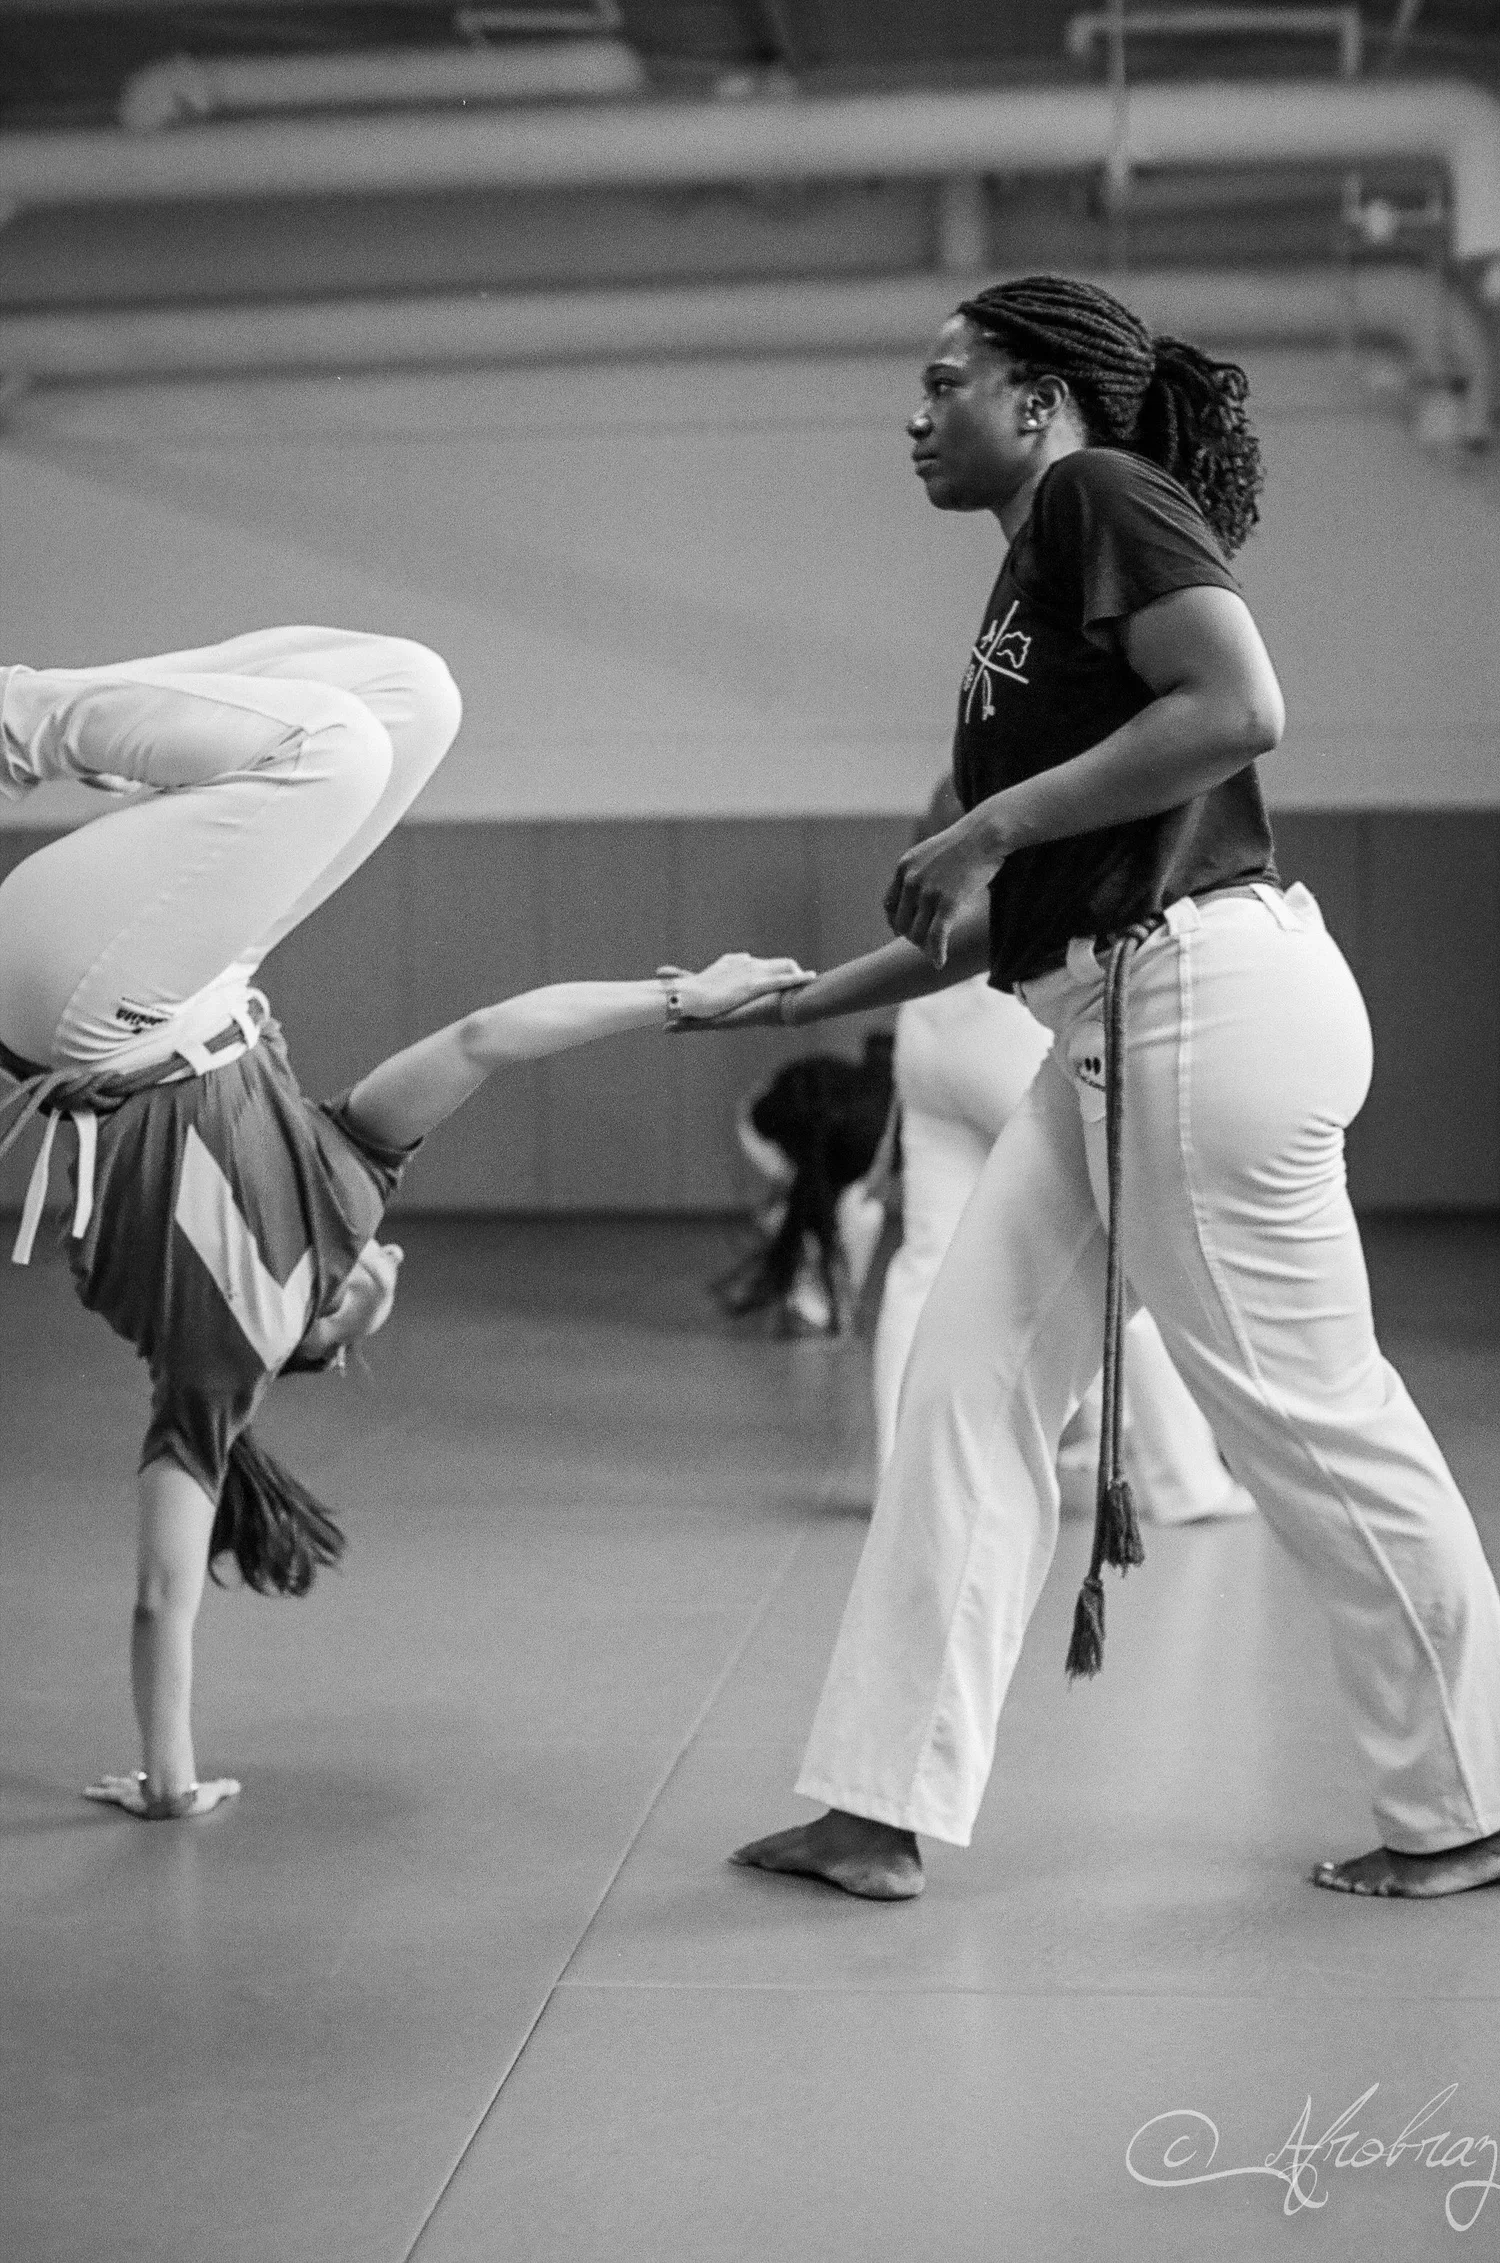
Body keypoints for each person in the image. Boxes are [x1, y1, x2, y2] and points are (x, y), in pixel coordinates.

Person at [692, 275, 1500, 1901]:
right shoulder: (1031, 572)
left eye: (946, 381)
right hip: (1113, 1014)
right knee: (966, 1389)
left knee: (1309, 1415)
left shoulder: (1093, 494)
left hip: (1198, 1000)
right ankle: (878, 1804)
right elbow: (1018, 913)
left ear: (1042, 395)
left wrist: (986, 822)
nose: (915, 416)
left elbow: (1242, 706)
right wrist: (801, 994)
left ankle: (1471, 1796)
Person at [0, 627, 810, 1821]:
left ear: (323, 1331)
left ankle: (21, 719)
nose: (393, 1273)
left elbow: (161, 1597)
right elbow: (489, 1036)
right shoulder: (341, 1181)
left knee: (330, 751)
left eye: (368, 1312)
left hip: (90, 1009)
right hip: (181, 976)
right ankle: (155, 766)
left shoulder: (221, 1363)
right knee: (410, 701)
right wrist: (683, 996)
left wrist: (172, 1782)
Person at [871, 778, 1255, 1525]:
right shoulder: (1037, 788)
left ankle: (899, 1479)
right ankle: (1183, 1478)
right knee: (1123, 1248)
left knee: (923, 1262)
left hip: (926, 1030)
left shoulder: (951, 792)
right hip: (1003, 1019)